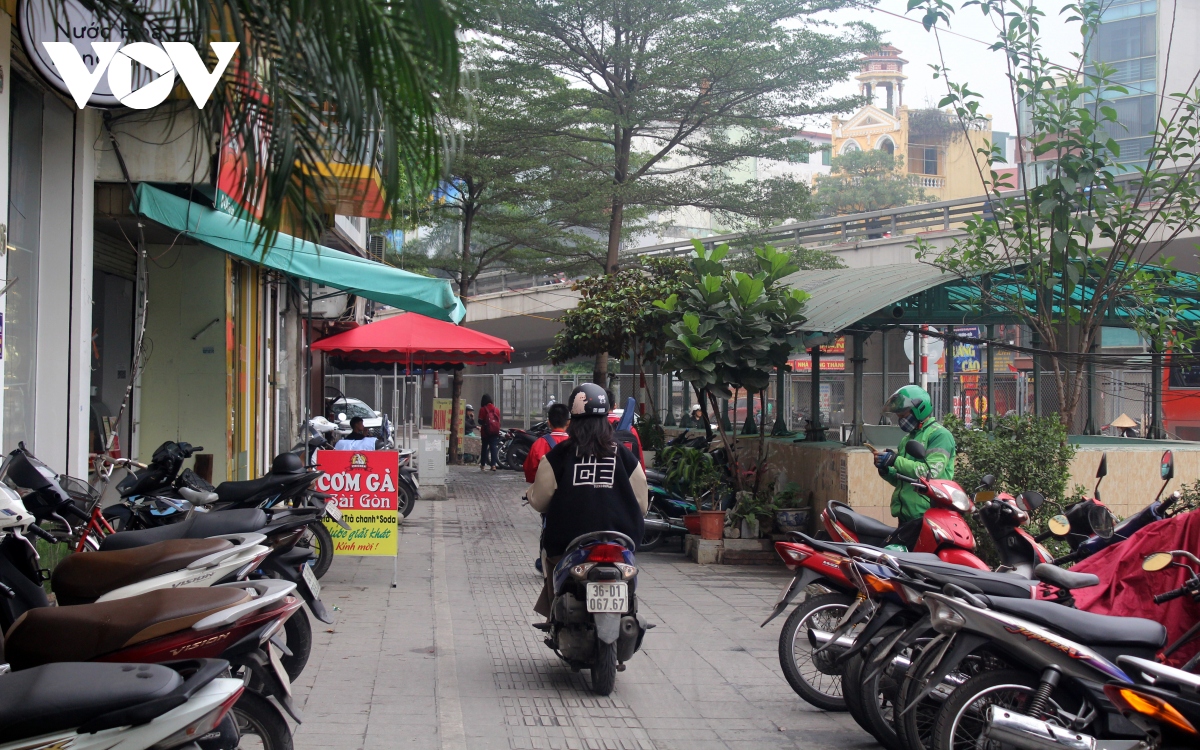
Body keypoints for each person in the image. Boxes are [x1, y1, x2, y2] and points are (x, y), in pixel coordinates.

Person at [527, 383, 648, 616]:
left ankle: (555, 614)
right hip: (621, 540)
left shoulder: (558, 456)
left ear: (572, 420)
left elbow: (540, 501)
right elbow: (641, 503)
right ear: (606, 419)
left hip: (568, 542)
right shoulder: (623, 454)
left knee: (550, 558)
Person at [873, 384, 956, 551]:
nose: (900, 419)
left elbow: (930, 473)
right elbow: (903, 480)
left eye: (903, 415)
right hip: (906, 517)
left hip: (927, 516)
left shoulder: (939, 435)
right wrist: (885, 469)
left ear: (920, 410)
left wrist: (895, 460)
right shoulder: (907, 439)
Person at [524, 402, 570, 483]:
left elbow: (530, 473)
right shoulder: (577, 444)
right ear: (568, 423)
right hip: (570, 493)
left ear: (549, 423)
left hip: (545, 493)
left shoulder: (539, 444)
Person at [478, 394, 502, 471]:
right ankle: (493, 465)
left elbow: (480, 421)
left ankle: (482, 465)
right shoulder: (497, 409)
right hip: (495, 431)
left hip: (485, 432)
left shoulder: (482, 409)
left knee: (484, 448)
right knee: (493, 448)